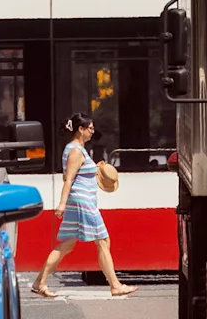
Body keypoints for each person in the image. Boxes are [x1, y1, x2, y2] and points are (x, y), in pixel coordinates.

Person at [30, 113, 138, 298]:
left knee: (67, 245)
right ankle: (115, 285)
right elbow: (68, 179)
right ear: (80, 129)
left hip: (80, 201)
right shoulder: (75, 151)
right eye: (90, 128)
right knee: (103, 241)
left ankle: (39, 282)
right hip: (82, 202)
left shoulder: (79, 150)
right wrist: (62, 204)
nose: (92, 131)